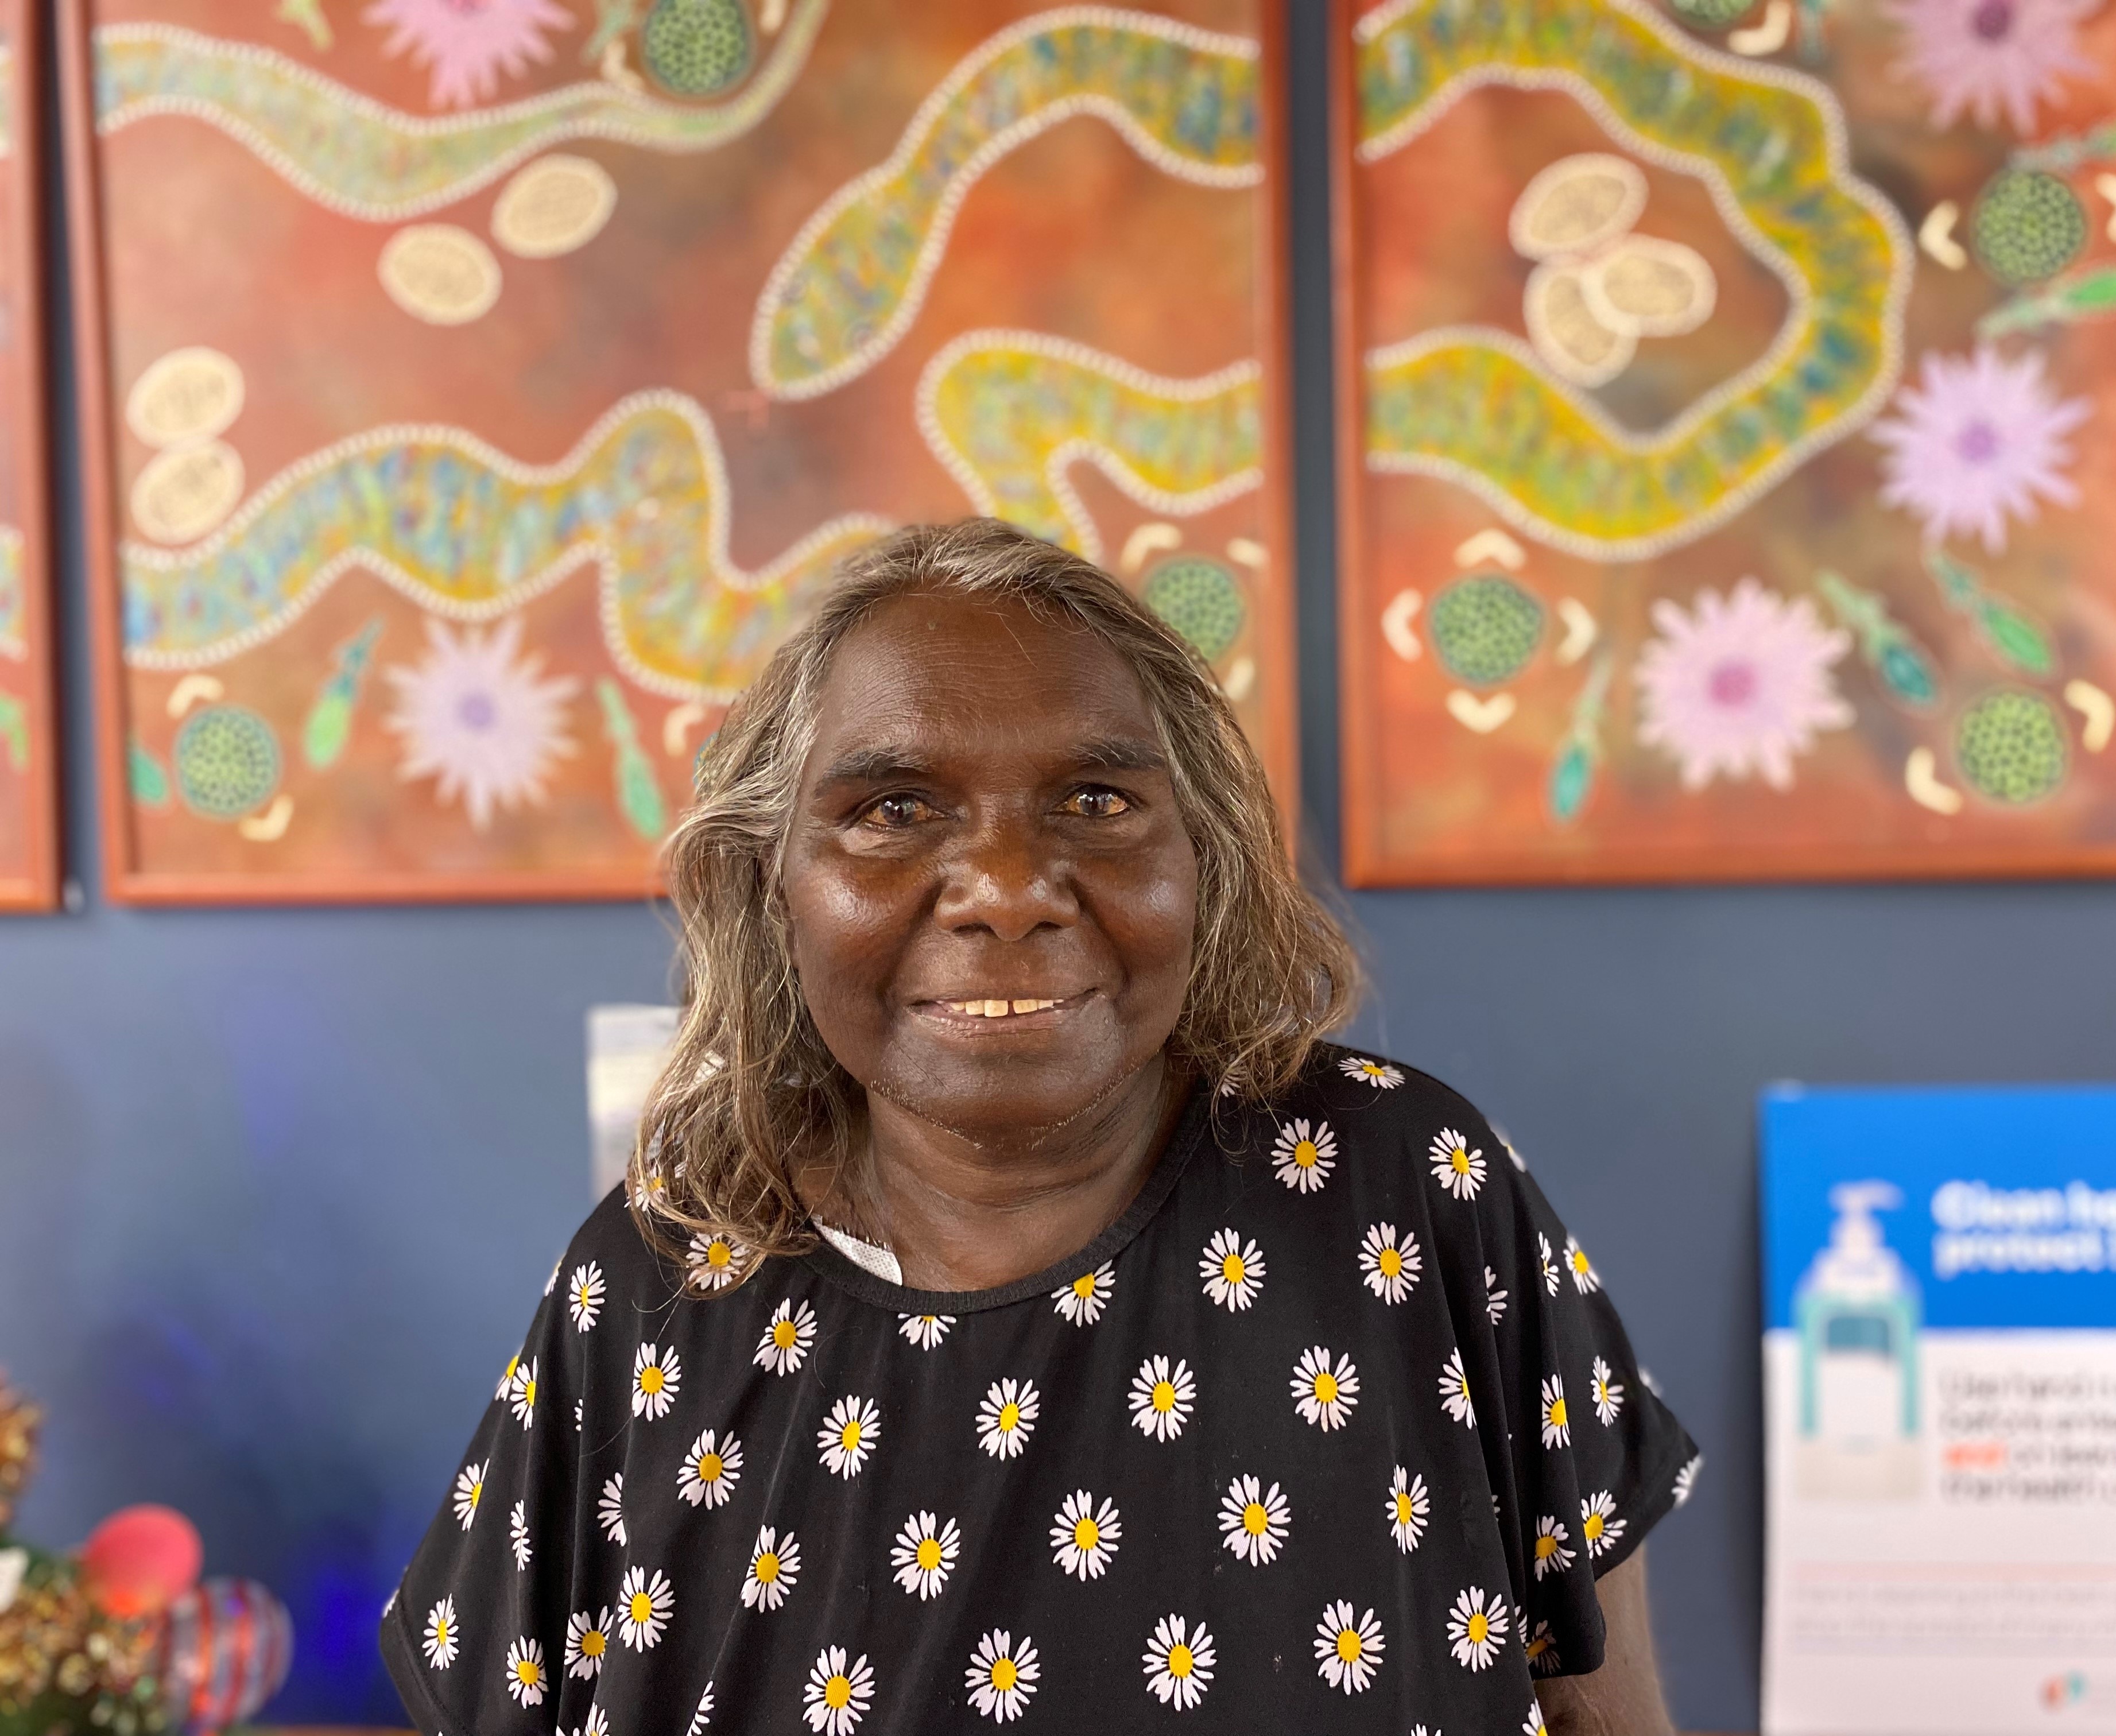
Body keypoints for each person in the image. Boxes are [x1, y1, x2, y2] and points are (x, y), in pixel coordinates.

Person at [382, 519, 1699, 1734]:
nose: (1008, 893)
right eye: (895, 810)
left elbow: (1602, 1709)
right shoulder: (655, 1285)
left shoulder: (1413, 1193)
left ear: (1208, 858)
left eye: (1095, 803)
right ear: (770, 880)